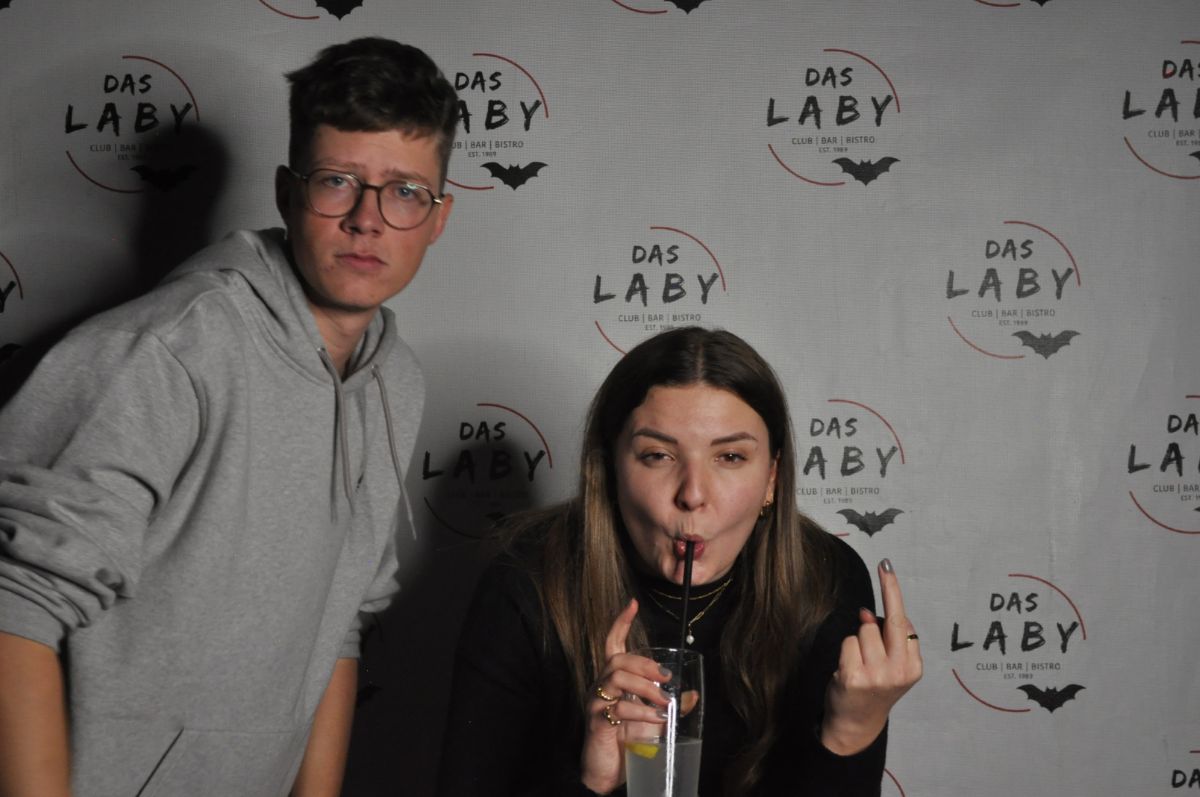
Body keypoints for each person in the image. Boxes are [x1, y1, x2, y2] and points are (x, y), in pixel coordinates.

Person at [0, 38, 456, 797]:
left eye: (404, 191)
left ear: (438, 217)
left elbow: (339, 621)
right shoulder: (166, 350)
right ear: (286, 192)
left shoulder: (394, 382)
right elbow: (16, 604)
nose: (367, 220)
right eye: (336, 182)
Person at [436, 327, 922, 796]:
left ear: (772, 478)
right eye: (657, 455)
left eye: (730, 457)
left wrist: (851, 732)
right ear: (610, 469)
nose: (692, 494)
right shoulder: (528, 582)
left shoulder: (825, 580)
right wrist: (591, 782)